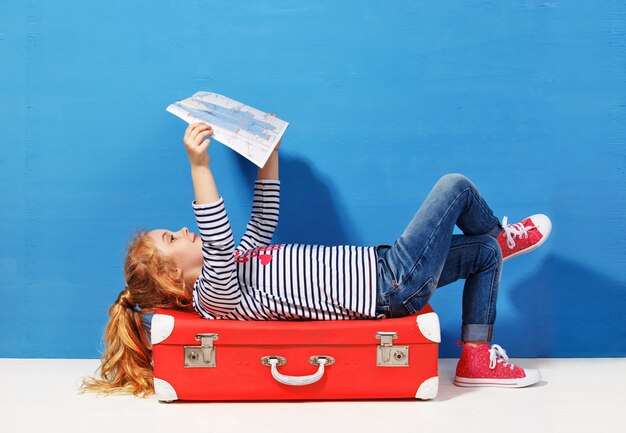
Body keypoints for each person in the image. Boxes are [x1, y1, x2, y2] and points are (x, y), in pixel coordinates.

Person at [82, 122, 552, 396]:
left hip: (385, 265)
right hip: (389, 285)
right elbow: (218, 237)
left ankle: (474, 358)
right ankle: (502, 234)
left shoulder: (239, 265)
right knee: (455, 186)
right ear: (171, 278)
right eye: (172, 237)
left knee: (483, 256)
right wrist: (199, 167)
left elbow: (264, 216)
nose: (184, 230)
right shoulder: (215, 295)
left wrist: (267, 151)